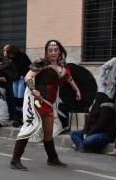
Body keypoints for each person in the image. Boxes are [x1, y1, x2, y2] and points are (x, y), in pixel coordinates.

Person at [10, 40, 81, 170]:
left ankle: (52, 158)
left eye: (55, 50)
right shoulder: (41, 64)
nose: (53, 52)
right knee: (29, 127)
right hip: (36, 100)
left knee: (48, 132)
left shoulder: (63, 67)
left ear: (60, 51)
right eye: (50, 50)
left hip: (49, 103)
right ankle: (15, 160)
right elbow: (28, 77)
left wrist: (77, 90)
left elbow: (69, 78)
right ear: (46, 52)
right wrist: (33, 89)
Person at [2, 44, 32, 121]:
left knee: (20, 96)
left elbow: (28, 66)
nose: (11, 56)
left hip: (22, 78)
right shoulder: (10, 58)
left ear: (14, 52)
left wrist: (23, 75)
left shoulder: (22, 56)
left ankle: (21, 114)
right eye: (9, 54)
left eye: (11, 54)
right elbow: (7, 68)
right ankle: (18, 114)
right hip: (15, 79)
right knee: (15, 96)